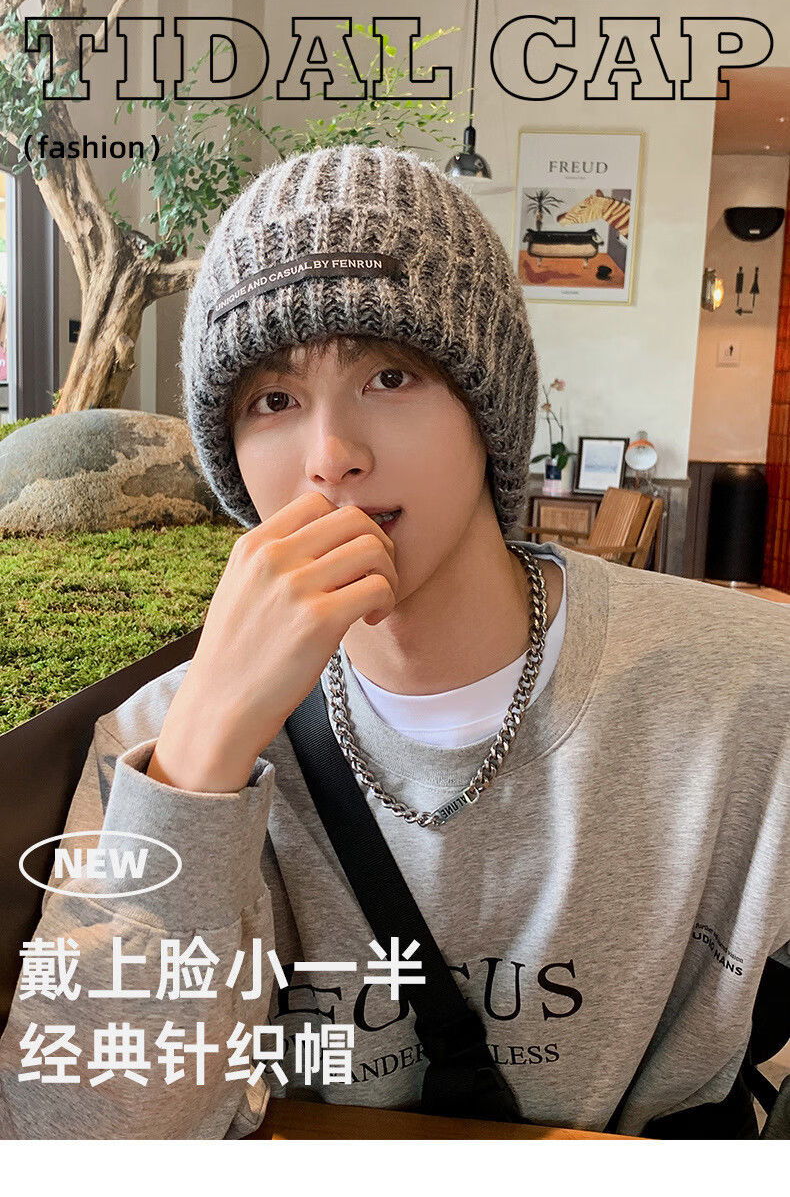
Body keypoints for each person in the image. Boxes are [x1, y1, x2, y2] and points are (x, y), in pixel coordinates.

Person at [0, 145, 787, 1140]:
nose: (332, 456)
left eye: (389, 374)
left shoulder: (750, 689)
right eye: (273, 400)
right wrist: (201, 762)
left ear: (488, 409)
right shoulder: (158, 741)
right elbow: (74, 1143)